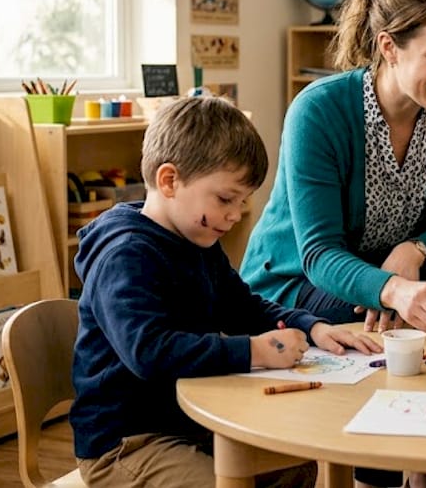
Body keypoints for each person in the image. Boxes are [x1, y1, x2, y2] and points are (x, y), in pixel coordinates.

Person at [241, 0, 426, 488]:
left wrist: (414, 252)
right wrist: (393, 289)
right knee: (375, 318)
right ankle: (377, 468)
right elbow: (318, 254)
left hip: (386, 277)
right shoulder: (319, 110)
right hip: (302, 283)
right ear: (388, 47)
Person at [71, 96, 380, 488]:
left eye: (243, 201)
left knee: (297, 464)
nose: (235, 215)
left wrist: (311, 326)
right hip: (125, 443)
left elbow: (242, 305)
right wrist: (252, 351)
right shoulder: (125, 255)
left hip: (190, 423)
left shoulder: (196, 239)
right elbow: (149, 352)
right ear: (169, 181)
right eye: (225, 199)